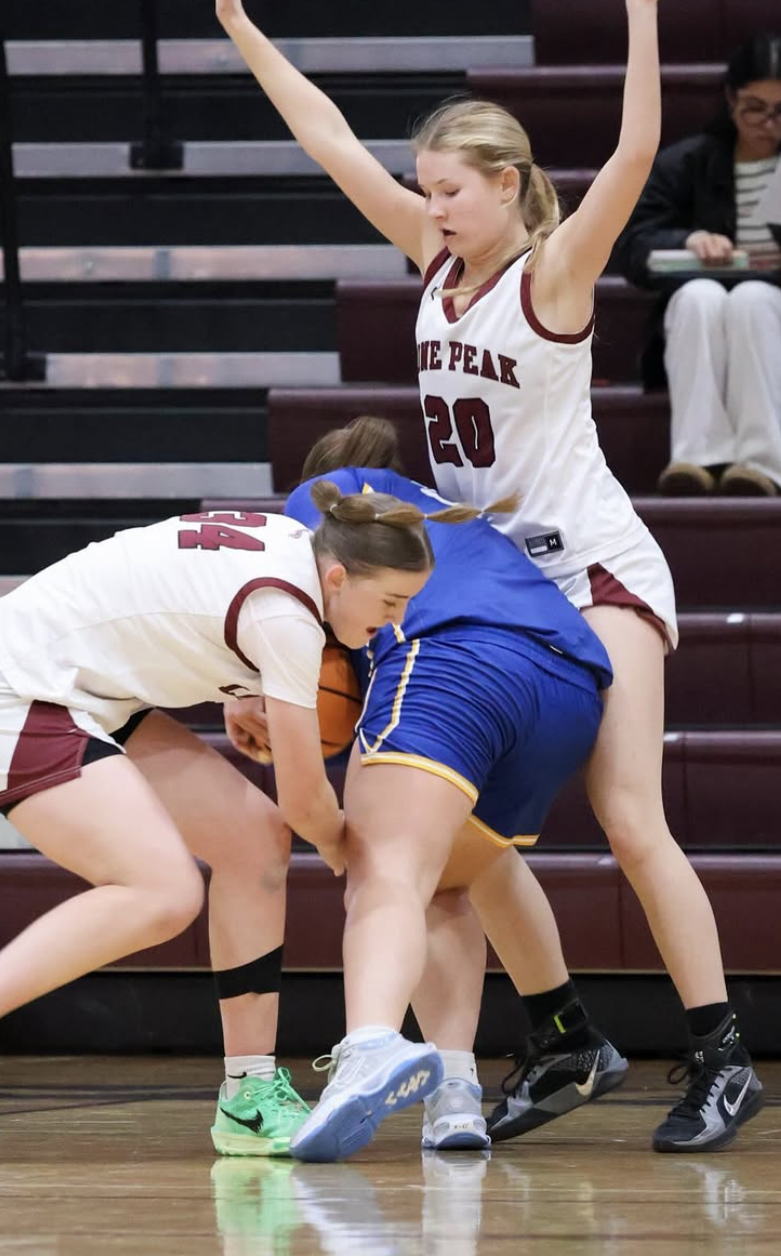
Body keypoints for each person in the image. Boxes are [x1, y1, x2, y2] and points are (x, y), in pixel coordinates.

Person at [206, 0, 765, 1154]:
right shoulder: (427, 255)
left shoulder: (550, 275)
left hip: (598, 573)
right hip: (505, 592)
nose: (429, 207)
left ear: (505, 186)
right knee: (474, 842)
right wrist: (245, 33)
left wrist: (641, 9)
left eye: (449, 190)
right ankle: (565, 1037)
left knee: (629, 817)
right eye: (425, 193)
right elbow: (331, 142)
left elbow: (634, 157)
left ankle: (722, 1052)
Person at [0, 492, 472, 1154]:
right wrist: (352, 858)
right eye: (389, 603)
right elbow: (308, 804)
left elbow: (174, 600)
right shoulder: (287, 619)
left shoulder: (298, 547)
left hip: (88, 686)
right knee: (163, 891)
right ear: (337, 578)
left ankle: (248, 1095)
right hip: (6, 688)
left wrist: (234, 691)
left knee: (255, 842)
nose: (395, 622)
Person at [225, 416, 618, 1162]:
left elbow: (291, 627)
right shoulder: (431, 510)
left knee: (384, 877)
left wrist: (248, 691)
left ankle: (370, 1046)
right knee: (442, 887)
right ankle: (455, 1097)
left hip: (456, 660)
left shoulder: (324, 504)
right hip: (568, 686)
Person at [617, 30, 781, 497]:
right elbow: (632, 246)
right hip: (710, 322)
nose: (766, 123)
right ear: (730, 99)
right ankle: (696, 457)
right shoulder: (688, 162)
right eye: (753, 107)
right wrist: (688, 239)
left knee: (754, 299)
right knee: (699, 295)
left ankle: (765, 466)